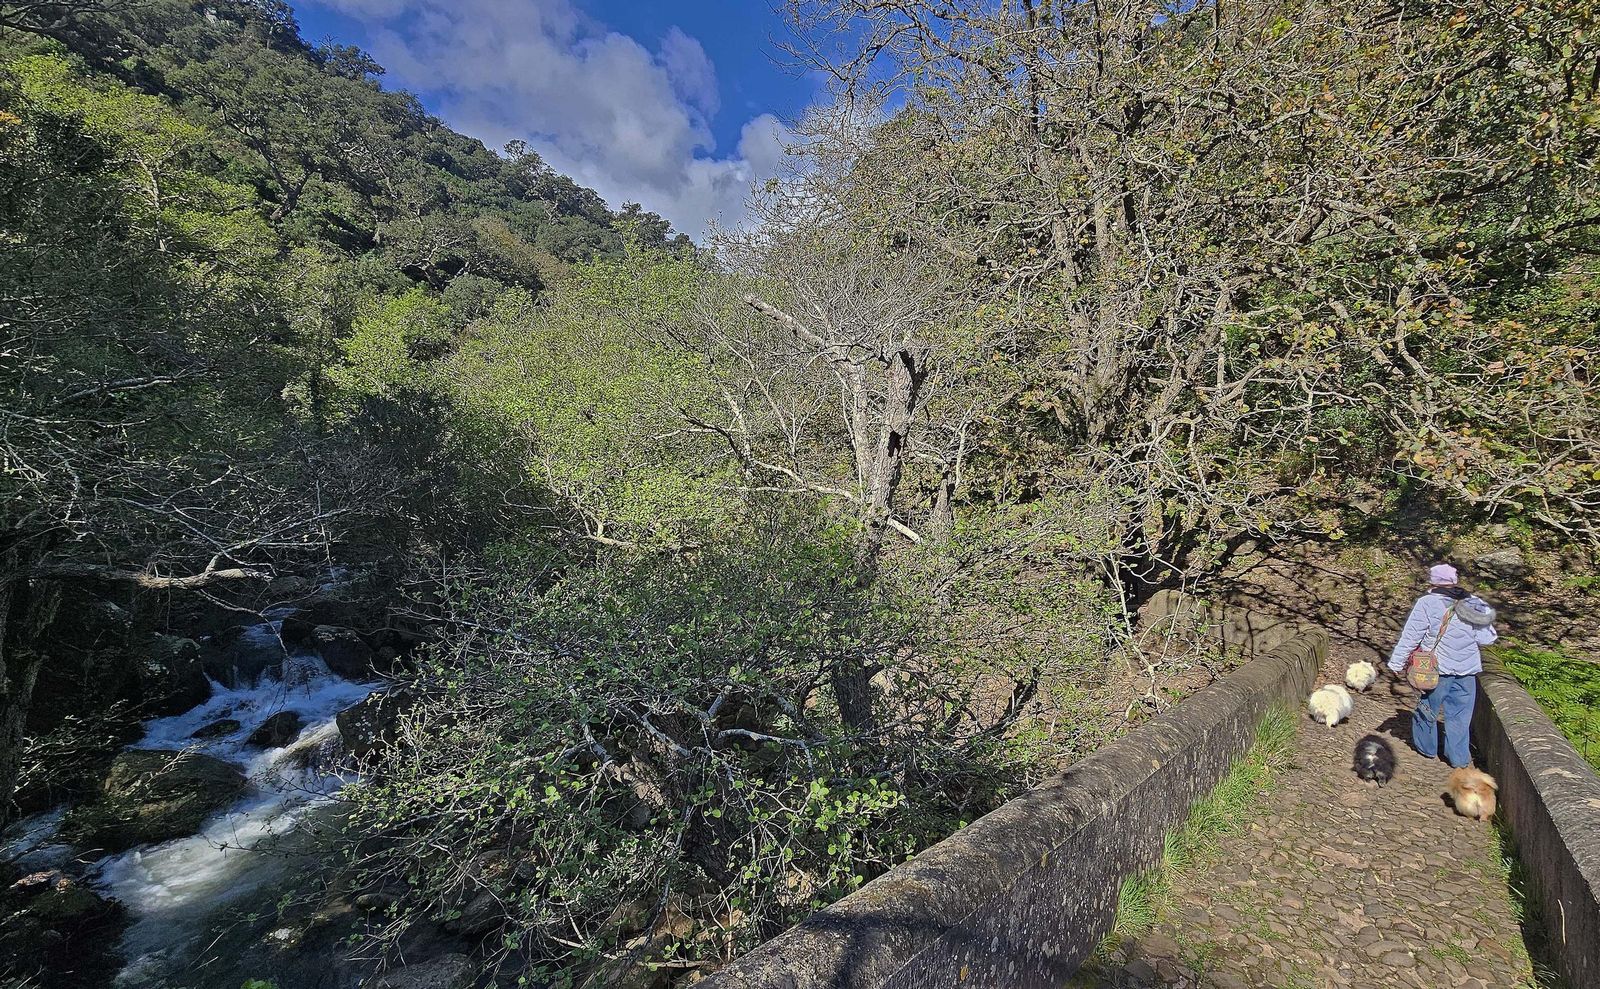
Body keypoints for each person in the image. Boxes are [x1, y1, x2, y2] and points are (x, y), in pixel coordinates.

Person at [1387, 563, 1499, 768]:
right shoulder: (1473, 602)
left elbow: (1412, 635)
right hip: (1467, 670)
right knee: (1460, 716)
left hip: (1437, 670)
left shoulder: (1427, 603)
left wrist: (1397, 662)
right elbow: (1487, 638)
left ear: (1433, 581)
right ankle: (1458, 758)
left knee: (1427, 709)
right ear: (1455, 580)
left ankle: (1427, 749)